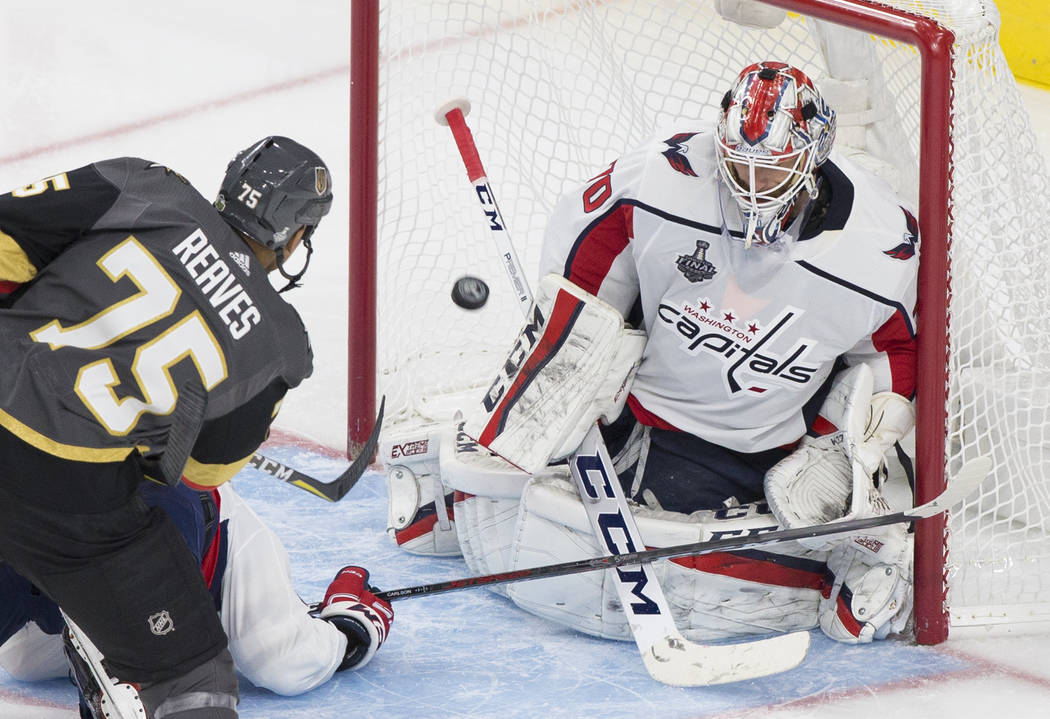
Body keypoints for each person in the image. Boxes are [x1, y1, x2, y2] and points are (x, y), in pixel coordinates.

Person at [385, 61, 919, 647]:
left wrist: (839, 441)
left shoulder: (880, 244)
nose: (747, 184)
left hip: (757, 443)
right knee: (528, 450)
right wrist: (571, 353)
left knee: (766, 526)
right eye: (737, 163)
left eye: (768, 170)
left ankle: (867, 560)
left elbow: (893, 354)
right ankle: (454, 482)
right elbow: (585, 257)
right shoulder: (660, 178)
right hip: (639, 407)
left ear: (814, 157)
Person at [0, 136, 391, 718]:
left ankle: (95, 630)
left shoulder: (141, 185)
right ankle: (351, 621)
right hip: (83, 508)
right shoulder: (280, 344)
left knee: (26, 652)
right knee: (215, 677)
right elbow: (204, 470)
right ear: (294, 236)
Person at [0, 478, 393, 716]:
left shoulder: (142, 525)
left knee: (281, 661)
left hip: (214, 543)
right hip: (66, 556)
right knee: (24, 662)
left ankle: (353, 617)